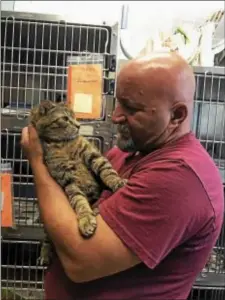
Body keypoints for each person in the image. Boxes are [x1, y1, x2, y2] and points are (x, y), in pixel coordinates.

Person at [21, 52, 224, 300]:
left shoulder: (180, 177)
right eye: (118, 102)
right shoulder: (134, 149)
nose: (115, 116)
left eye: (131, 108)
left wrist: (39, 161)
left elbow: (81, 260)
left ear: (177, 115)